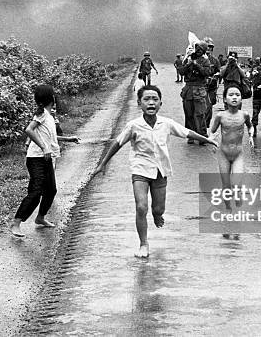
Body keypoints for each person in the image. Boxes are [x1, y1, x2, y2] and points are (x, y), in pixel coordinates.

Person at [92, 85, 218, 258]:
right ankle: (143, 244)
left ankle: (157, 214)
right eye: (146, 99)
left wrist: (208, 140)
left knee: (158, 209)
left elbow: (187, 132)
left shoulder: (166, 124)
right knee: (141, 206)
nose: (151, 102)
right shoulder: (134, 125)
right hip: (140, 169)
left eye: (154, 99)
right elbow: (118, 143)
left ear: (160, 103)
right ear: (139, 103)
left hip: (160, 170)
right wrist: (103, 163)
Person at [10, 85, 80, 237]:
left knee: (51, 190)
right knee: (35, 192)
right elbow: (28, 130)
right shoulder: (41, 115)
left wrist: (68, 138)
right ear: (52, 99)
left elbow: (51, 138)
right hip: (36, 159)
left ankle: (40, 218)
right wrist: (43, 147)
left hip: (46, 158)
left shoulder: (49, 117)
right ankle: (16, 223)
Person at [210, 84, 254, 215]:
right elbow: (212, 131)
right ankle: (228, 208)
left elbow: (250, 127)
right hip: (223, 154)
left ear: (241, 99)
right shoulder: (220, 116)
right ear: (224, 99)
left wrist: (251, 136)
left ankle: (238, 206)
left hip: (238, 154)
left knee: (237, 183)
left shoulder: (244, 115)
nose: (234, 97)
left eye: (237, 95)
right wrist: (212, 140)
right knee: (226, 184)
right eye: (231, 95)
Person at [179, 40, 212, 144]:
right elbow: (181, 71)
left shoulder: (205, 61)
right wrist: (189, 63)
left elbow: (206, 72)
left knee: (200, 114)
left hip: (199, 89)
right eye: (196, 48)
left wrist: (196, 65)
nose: (198, 51)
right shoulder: (188, 58)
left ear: (204, 51)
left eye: (200, 49)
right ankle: (191, 135)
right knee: (188, 113)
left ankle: (202, 135)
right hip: (188, 89)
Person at [204, 37, 221, 128]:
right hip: (200, 87)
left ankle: (205, 126)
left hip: (211, 87)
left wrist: (216, 76)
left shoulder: (215, 60)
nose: (208, 49)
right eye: (206, 47)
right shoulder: (198, 59)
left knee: (209, 107)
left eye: (210, 47)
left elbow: (219, 71)